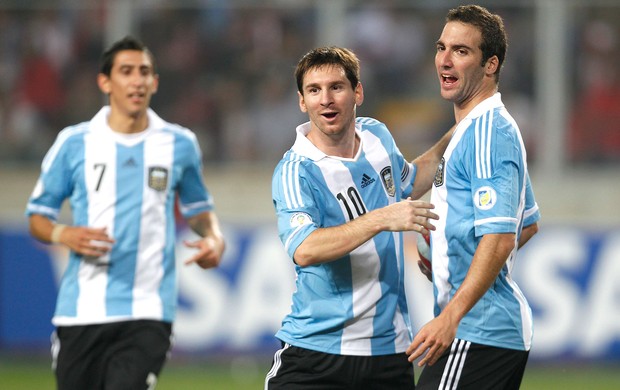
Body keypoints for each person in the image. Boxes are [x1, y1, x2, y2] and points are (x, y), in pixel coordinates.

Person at [25, 36, 225, 390]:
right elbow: (38, 216)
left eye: (145, 72)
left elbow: (198, 209)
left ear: (155, 82)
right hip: (82, 309)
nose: (137, 80)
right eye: (126, 71)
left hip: (147, 310)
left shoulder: (179, 144)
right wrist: (63, 234)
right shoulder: (75, 143)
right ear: (105, 82)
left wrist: (213, 237)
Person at [265, 46, 454, 389]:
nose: (326, 99)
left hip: (390, 352)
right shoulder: (296, 171)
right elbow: (305, 248)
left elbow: (410, 180)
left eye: (336, 87)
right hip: (316, 354)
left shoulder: (377, 136)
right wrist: (380, 218)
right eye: (314, 90)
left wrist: (458, 133)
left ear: (358, 92)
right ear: (302, 102)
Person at [406, 5, 541, 390]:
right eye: (441, 47)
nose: (445, 60)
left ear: (490, 65)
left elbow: (499, 237)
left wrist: (451, 316)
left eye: (461, 51)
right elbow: (527, 222)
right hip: (486, 332)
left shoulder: (488, 134)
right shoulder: (475, 130)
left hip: (476, 330)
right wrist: (455, 255)